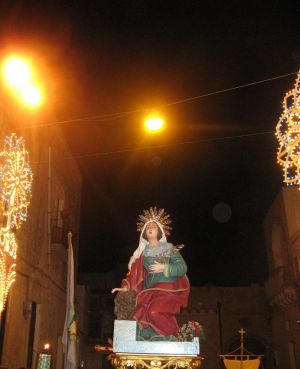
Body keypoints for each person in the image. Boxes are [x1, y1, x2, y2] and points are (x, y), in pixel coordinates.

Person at [112, 207, 190, 341]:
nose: (150, 228)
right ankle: (157, 336)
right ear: (144, 233)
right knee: (144, 317)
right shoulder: (142, 254)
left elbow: (182, 267)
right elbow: (134, 274)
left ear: (159, 230)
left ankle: (174, 335)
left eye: (153, 226)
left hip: (167, 290)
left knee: (154, 312)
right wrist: (126, 287)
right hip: (149, 291)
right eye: (147, 227)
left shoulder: (168, 249)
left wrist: (164, 267)